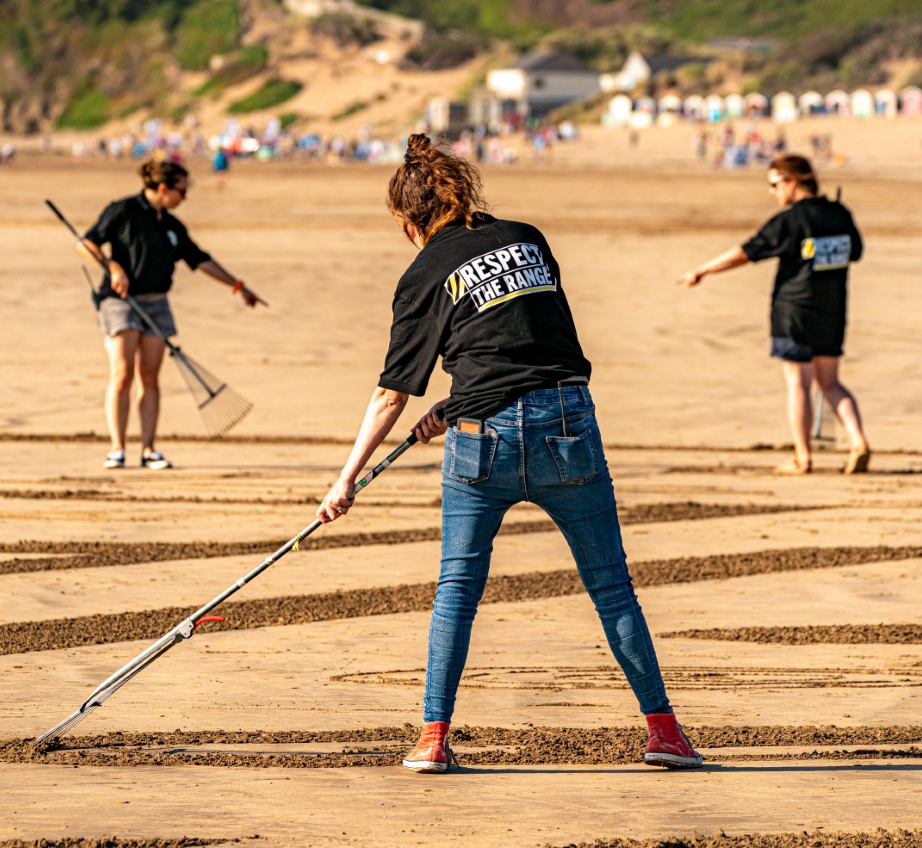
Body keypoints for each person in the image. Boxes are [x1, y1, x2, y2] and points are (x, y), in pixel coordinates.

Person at [317, 134, 702, 774]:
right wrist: (453, 401)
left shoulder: (423, 272)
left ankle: (433, 738)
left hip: (483, 445)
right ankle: (665, 731)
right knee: (612, 587)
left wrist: (344, 483)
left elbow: (391, 395)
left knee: (457, 592)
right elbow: (524, 334)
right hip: (565, 424)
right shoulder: (528, 238)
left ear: (409, 220)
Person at [677, 154, 870, 474]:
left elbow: (747, 252)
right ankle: (858, 440)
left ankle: (803, 457)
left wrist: (703, 270)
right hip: (832, 312)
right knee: (830, 382)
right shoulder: (839, 213)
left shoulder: (791, 220)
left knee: (798, 383)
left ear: (793, 182)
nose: (772, 192)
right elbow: (856, 252)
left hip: (794, 312)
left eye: (775, 184)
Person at [79, 159, 266, 470]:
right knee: (122, 373)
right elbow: (87, 244)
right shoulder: (122, 211)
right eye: (182, 190)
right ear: (163, 188)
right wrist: (113, 267)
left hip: (157, 303)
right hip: (120, 301)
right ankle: (117, 448)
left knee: (149, 376)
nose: (185, 197)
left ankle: (149, 449)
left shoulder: (172, 226)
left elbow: (200, 259)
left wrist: (238, 285)